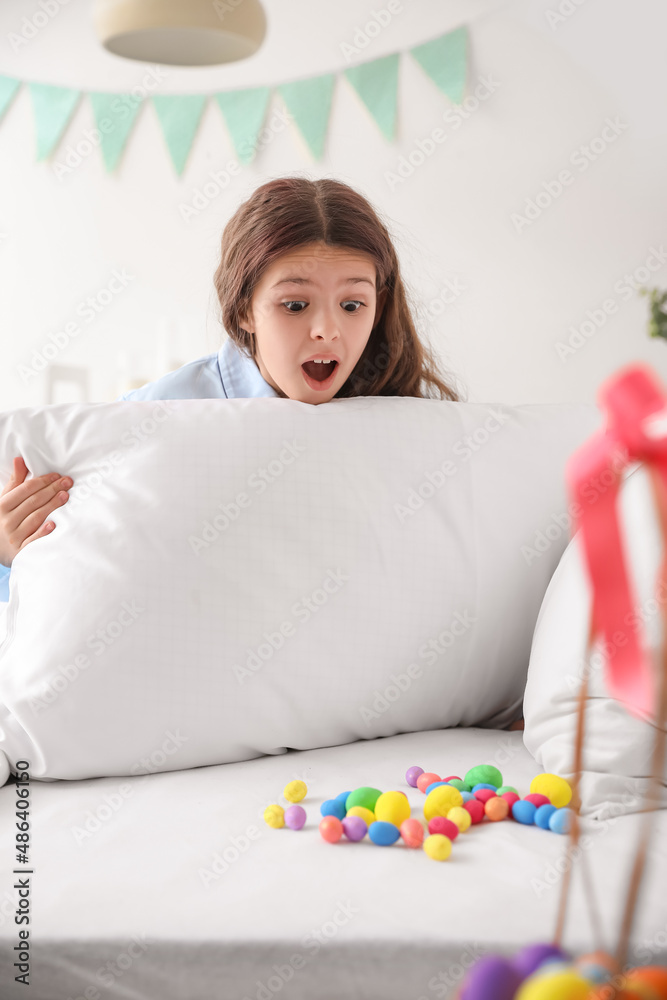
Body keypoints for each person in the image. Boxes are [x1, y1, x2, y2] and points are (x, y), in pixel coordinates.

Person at [0, 175, 463, 600]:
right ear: (243, 309)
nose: (327, 329)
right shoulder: (152, 418)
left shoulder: (407, 416)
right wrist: (7, 556)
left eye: (352, 304)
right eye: (296, 304)